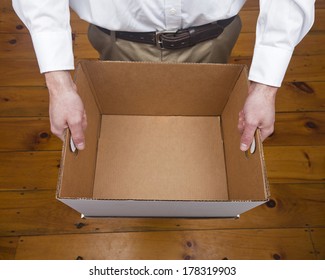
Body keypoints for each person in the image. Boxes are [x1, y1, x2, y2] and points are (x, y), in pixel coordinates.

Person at [12, 0, 315, 152]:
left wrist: (265, 88)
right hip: (116, 39)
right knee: (124, 131)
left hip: (215, 35)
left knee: (203, 129)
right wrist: (59, 84)